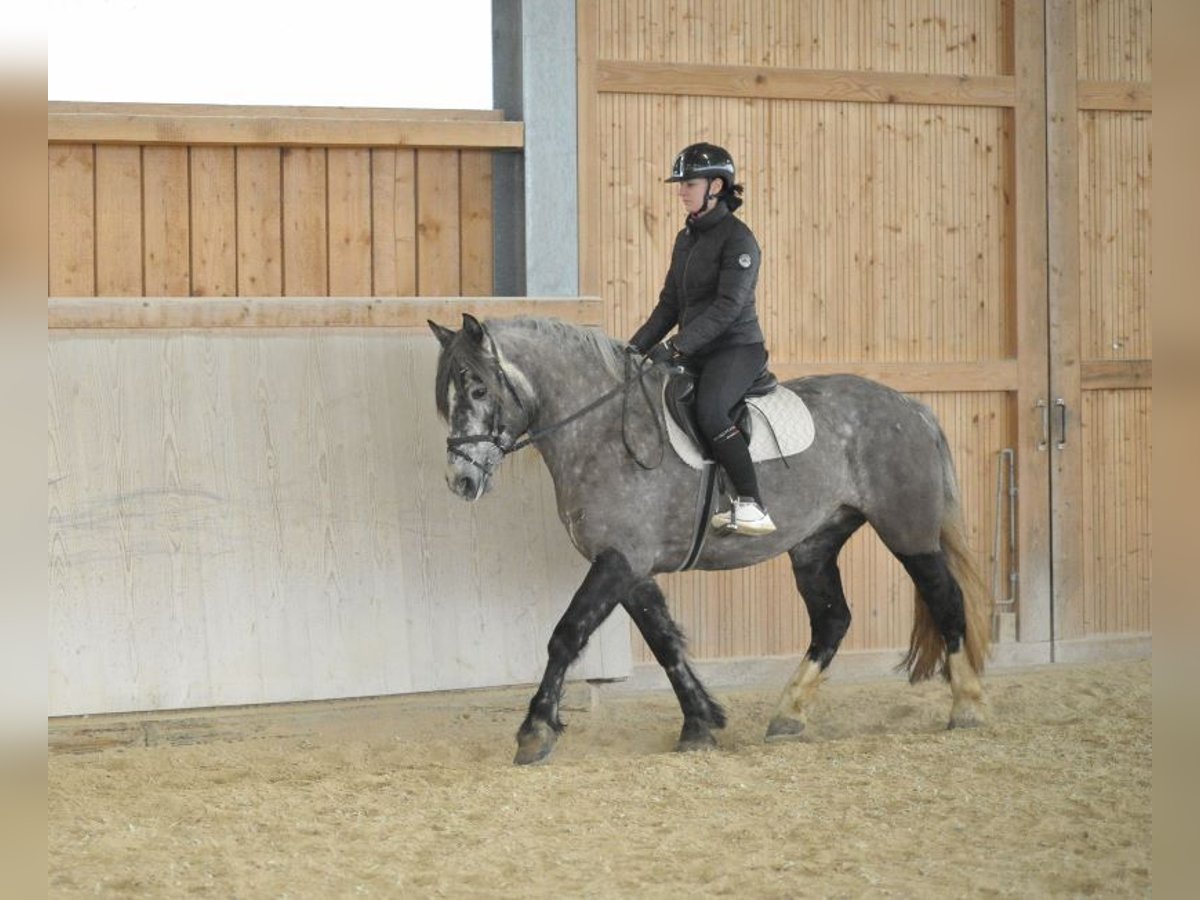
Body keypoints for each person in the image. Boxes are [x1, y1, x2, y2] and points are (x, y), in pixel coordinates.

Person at [627, 142, 776, 536]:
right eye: (680, 185)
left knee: (711, 410)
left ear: (716, 185)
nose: (681, 191)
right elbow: (669, 304)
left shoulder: (739, 241)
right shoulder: (686, 239)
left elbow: (727, 308)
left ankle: (752, 503)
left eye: (688, 184)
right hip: (696, 349)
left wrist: (676, 347)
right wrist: (632, 349)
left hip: (735, 349)